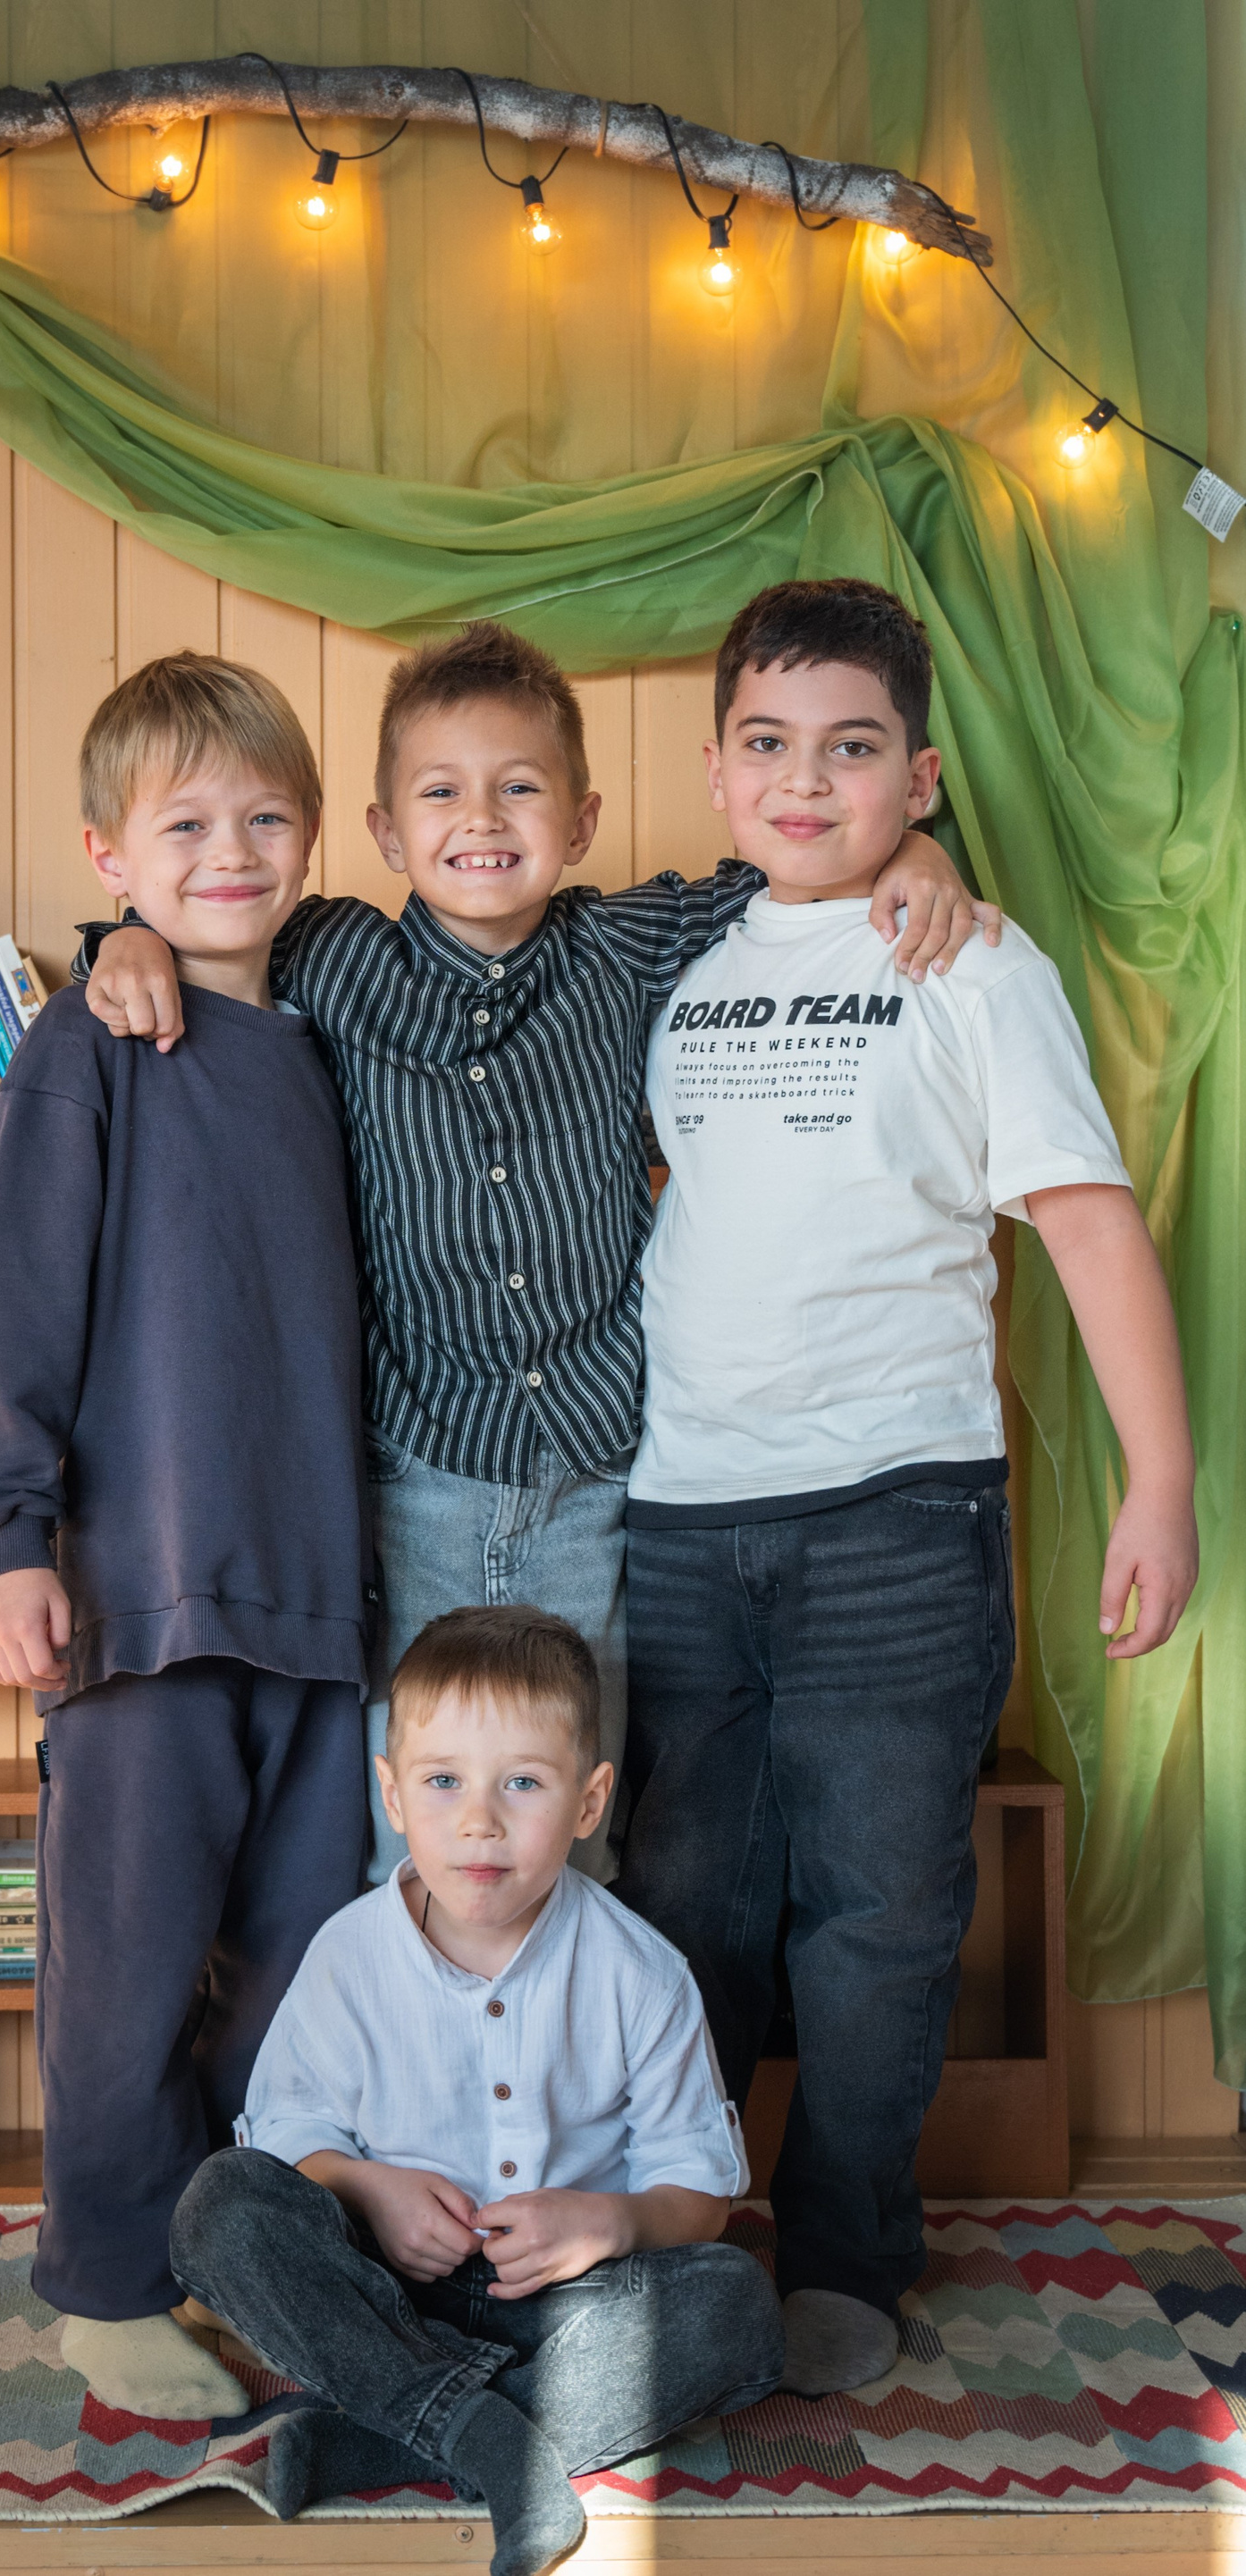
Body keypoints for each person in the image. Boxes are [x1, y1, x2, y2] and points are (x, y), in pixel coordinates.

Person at [75, 624, 996, 1889]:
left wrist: (927, 853)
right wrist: (121, 938)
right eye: (441, 793)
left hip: (597, 1480)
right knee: (415, 1831)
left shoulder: (629, 944)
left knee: (576, 1819)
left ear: (580, 819)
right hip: (417, 1478)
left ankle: (571, 2019)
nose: (481, 819)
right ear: (384, 831)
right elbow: (199, 922)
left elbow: (807, 856)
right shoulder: (332, 952)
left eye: (519, 787)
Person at [617, 577, 1200, 2399]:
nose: (808, 780)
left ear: (919, 775)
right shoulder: (665, 960)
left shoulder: (974, 965)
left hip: (898, 1514)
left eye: (853, 747)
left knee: (878, 1912)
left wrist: (1162, 1477)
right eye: (771, 744)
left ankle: (848, 2250)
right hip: (679, 1520)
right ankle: (678, 2236)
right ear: (717, 769)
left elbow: (1088, 1222)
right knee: (687, 1905)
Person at [0, 654, 374, 2422]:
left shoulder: (331, 1035)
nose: (232, 852)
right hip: (141, 1598)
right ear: (107, 855)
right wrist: (12, 1538)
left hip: (325, 1604)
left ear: (318, 836)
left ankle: (242, 2248)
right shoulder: (93, 1040)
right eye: (185, 825)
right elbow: (18, 1303)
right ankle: (110, 2276)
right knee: (122, 1970)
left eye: (267, 817)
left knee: (301, 1965)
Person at [170, 1606, 782, 2576]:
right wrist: (369, 2189)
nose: (479, 1820)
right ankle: (493, 2436)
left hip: (565, 2310)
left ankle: (396, 2435)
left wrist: (609, 2221)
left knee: (737, 2305)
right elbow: (286, 2136)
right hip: (378, 2295)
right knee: (219, 2206)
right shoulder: (349, 1954)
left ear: (589, 1801)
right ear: (393, 1793)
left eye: (523, 1783)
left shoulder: (642, 1972)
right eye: (443, 1781)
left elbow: (699, 2192)